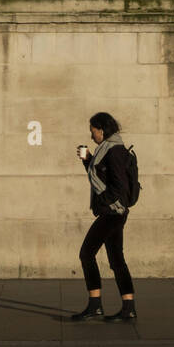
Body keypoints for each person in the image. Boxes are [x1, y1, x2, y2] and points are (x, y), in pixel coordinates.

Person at [69, 112, 136, 322]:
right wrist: (88, 160)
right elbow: (102, 176)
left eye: (93, 131)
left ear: (102, 128)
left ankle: (95, 305)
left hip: (112, 213)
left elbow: (120, 185)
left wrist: (106, 200)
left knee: (86, 254)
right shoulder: (108, 149)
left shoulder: (113, 151)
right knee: (117, 260)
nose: (92, 136)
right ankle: (128, 307)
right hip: (116, 212)